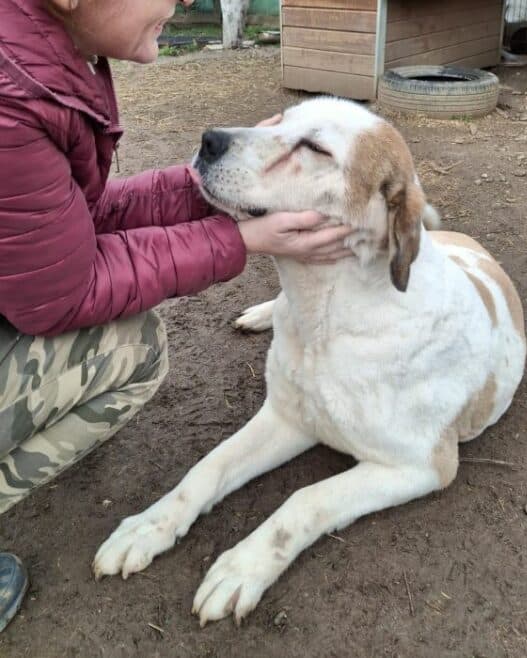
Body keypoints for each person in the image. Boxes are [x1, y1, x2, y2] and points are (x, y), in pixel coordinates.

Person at [0, 0, 353, 632]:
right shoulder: (11, 97)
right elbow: (59, 291)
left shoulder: (35, 59)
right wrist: (243, 241)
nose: (185, 0)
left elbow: (73, 222)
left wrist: (210, 182)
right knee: (133, 348)